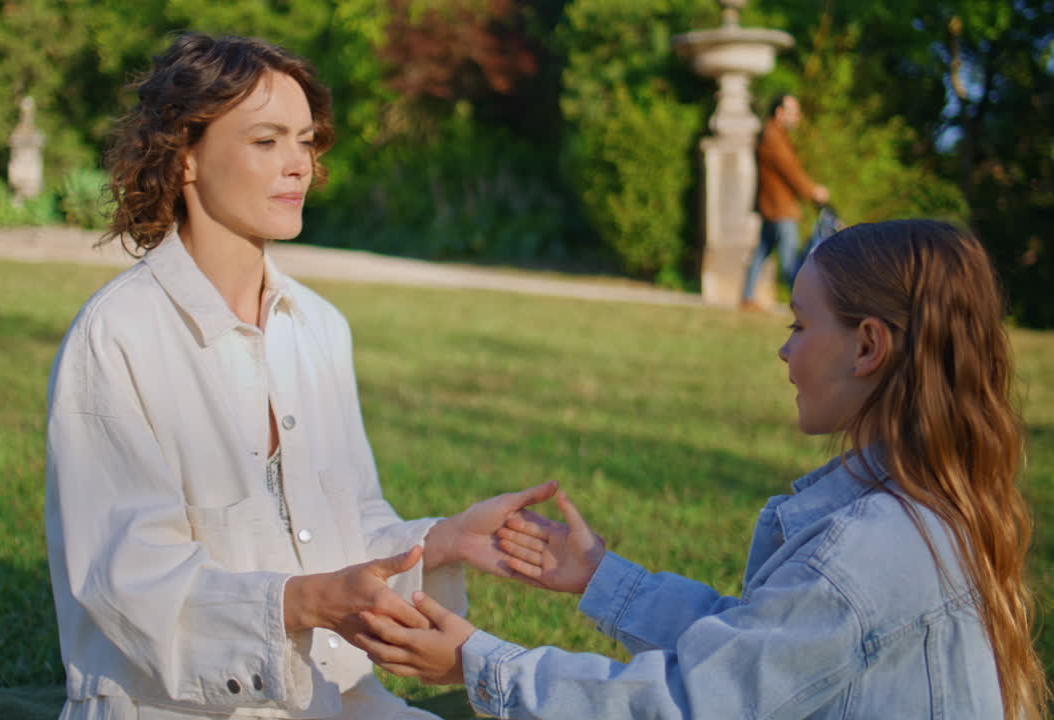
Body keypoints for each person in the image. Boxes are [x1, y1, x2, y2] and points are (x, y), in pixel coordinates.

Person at [44, 32, 556, 720]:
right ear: (185, 156)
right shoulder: (117, 335)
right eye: (266, 141)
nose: (300, 165)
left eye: (306, 140)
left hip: (332, 695)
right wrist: (305, 602)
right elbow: (126, 578)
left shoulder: (319, 327)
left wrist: (443, 539)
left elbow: (353, 519)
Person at [356, 220, 1050, 719]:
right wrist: (605, 578)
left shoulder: (866, 549)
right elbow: (760, 644)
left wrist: (476, 664)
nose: (785, 352)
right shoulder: (920, 507)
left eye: (800, 327)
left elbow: (689, 705)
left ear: (868, 346)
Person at [742, 94, 830, 309]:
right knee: (790, 259)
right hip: (780, 207)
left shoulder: (775, 134)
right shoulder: (773, 137)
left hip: (772, 205)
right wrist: (812, 191)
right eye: (792, 112)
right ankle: (802, 305)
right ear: (779, 113)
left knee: (762, 250)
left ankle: (747, 296)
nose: (797, 117)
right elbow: (790, 170)